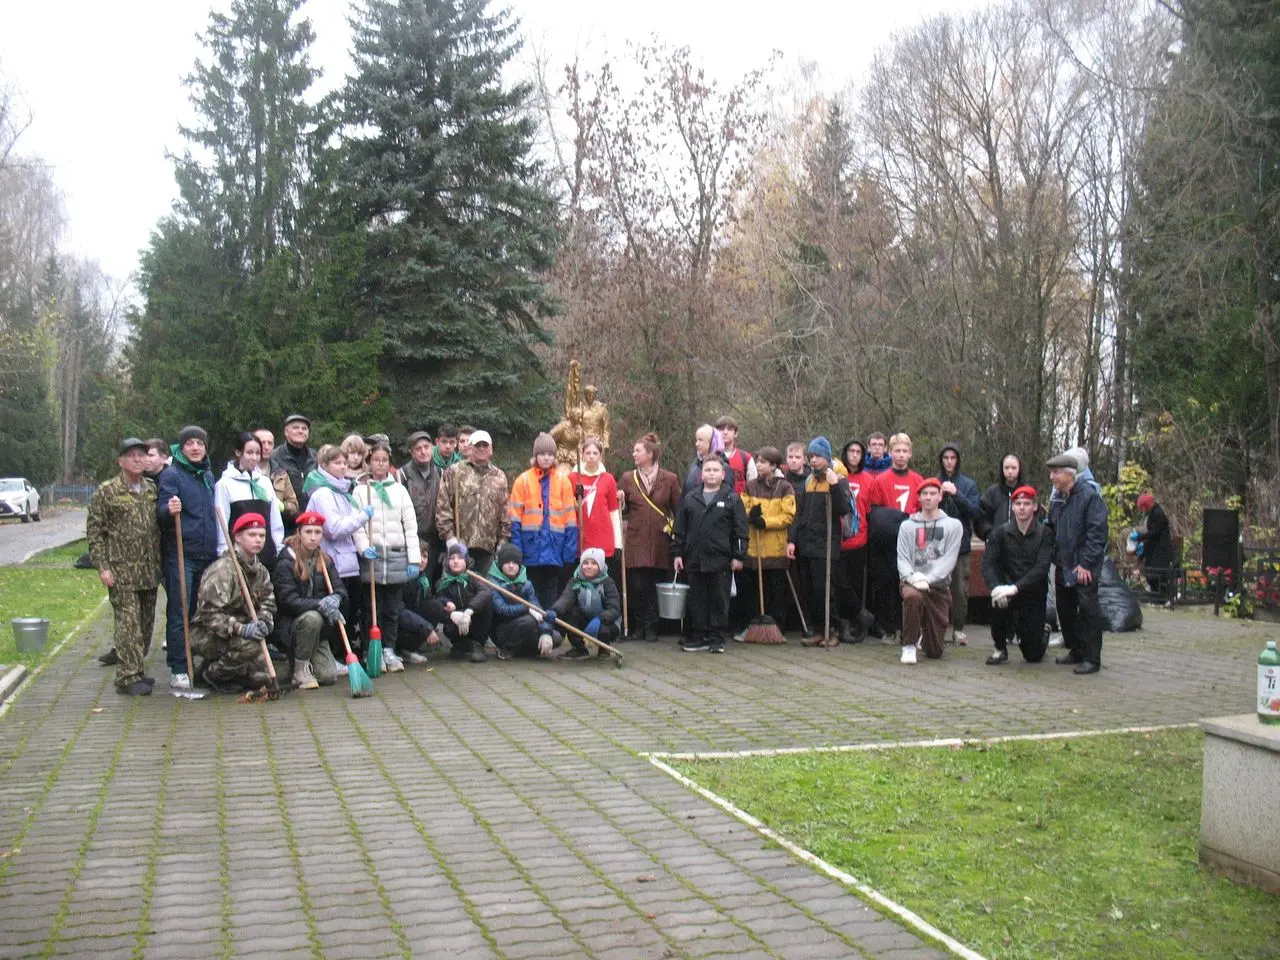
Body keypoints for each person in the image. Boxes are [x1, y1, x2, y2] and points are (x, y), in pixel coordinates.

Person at [87, 438, 163, 695]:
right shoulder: (107, 491)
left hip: (149, 570)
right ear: (120, 461)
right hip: (122, 572)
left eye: (141, 455)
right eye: (131, 455)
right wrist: (102, 567)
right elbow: (95, 533)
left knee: (146, 623)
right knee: (128, 624)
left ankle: (137, 669)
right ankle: (127, 677)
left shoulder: (152, 489)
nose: (137, 459)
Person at [157, 425, 218, 692]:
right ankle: (179, 668)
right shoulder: (172, 474)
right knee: (180, 610)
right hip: (182, 554)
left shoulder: (206, 474)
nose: (195, 448)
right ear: (181, 448)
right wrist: (168, 510)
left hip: (207, 554)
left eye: (200, 443)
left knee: (199, 612)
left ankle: (199, 661)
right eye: (190, 443)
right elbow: (159, 510)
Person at [353, 441, 421, 673]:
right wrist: (363, 548)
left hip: (395, 555)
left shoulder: (399, 490)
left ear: (389, 463)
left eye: (384, 460)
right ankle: (371, 649)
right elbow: (357, 526)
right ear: (369, 462)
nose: (380, 464)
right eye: (375, 460)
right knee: (372, 607)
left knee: (392, 608)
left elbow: (410, 525)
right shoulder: (361, 490)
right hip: (372, 558)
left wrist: (413, 559)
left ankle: (389, 649)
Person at [190, 513, 277, 693]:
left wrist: (263, 621)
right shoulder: (223, 570)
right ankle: (211, 674)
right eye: (252, 535)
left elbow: (269, 603)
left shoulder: (261, 572)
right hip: (208, 633)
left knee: (265, 675)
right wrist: (240, 629)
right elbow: (209, 614)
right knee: (249, 647)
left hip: (243, 632)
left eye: (262, 535)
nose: (258, 540)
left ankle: (234, 672)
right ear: (237, 537)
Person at [673, 456, 748, 654]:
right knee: (697, 598)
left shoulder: (732, 499)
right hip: (695, 558)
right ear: (701, 474)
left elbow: (740, 531)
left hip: (721, 559)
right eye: (708, 470)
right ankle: (699, 635)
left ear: (723, 474)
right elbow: (680, 529)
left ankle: (717, 637)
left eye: (715, 470)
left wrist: (738, 556)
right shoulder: (690, 499)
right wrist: (678, 553)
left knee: (719, 599)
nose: (711, 474)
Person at [787, 437, 858, 647]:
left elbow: (843, 509)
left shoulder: (837, 479)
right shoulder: (809, 481)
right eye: (812, 456)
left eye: (817, 456)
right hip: (806, 542)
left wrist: (835, 486)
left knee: (825, 589)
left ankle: (832, 630)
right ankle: (818, 629)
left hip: (826, 544)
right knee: (810, 589)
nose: (814, 460)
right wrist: (793, 540)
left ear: (826, 457)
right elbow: (800, 513)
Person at [304, 444, 374, 656]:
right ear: (324, 465)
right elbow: (334, 529)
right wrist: (362, 517)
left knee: (352, 610)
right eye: (337, 463)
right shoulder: (323, 493)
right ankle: (335, 653)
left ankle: (349, 652)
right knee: (338, 610)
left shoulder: (343, 490)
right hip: (332, 562)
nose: (343, 467)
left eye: (344, 462)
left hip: (348, 561)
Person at [1046, 450, 1109, 674]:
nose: (1052, 477)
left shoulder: (1090, 496)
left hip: (1083, 565)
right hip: (1063, 563)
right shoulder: (1058, 498)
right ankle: (1076, 650)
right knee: (1065, 610)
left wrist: (1086, 563)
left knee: (1088, 610)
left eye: (1055, 473)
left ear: (1069, 474)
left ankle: (1092, 658)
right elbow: (1051, 527)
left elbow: (1097, 533)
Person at [618, 432, 682, 643]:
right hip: (636, 540)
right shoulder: (628, 478)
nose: (633, 454)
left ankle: (653, 626)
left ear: (650, 454)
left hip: (659, 539)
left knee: (656, 582)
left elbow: (678, 510)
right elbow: (623, 510)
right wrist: (620, 501)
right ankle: (638, 625)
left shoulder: (670, 479)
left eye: (637, 450)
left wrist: (675, 533)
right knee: (637, 585)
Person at [271, 511, 345, 689]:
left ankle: (304, 663)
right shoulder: (286, 562)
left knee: (328, 676)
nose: (313, 537)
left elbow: (340, 588)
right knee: (313, 617)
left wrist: (336, 598)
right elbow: (288, 600)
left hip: (319, 631)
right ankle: (299, 670)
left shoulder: (325, 560)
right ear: (299, 532)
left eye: (318, 532)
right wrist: (320, 605)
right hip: (292, 626)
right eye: (308, 532)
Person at [981, 486, 1054, 665]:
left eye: (1027, 504)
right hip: (1006, 590)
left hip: (1032, 595)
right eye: (1018, 503)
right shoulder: (1000, 533)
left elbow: (1041, 568)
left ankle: (1041, 631)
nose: (1022, 507)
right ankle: (999, 648)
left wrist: (1015, 588)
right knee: (997, 600)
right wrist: (996, 587)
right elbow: (987, 563)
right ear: (1012, 507)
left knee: (1033, 656)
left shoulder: (1045, 533)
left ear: (1035, 507)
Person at [896, 477, 963, 664]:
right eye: (924, 494)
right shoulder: (907, 526)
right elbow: (902, 558)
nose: (928, 498)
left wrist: (928, 579)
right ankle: (908, 645)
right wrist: (912, 577)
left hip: (938, 586)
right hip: (912, 582)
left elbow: (949, 560)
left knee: (934, 651)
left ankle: (924, 635)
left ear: (940, 496)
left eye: (933, 493)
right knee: (912, 597)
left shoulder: (953, 526)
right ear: (919, 497)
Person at [508, 432, 579, 607]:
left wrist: (569, 552)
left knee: (551, 592)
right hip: (530, 548)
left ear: (554, 457)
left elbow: (570, 520)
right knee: (531, 591)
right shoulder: (522, 481)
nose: (546, 458)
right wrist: (517, 550)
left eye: (550, 454)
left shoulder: (564, 482)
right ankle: (534, 629)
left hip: (555, 549)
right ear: (535, 456)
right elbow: (514, 520)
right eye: (542, 454)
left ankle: (549, 629)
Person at [436, 430, 510, 578]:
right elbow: (443, 507)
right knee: (457, 592)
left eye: (485, 445)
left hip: (488, 549)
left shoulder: (499, 476)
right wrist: (450, 540)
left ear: (491, 449)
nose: (481, 448)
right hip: (459, 548)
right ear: (470, 448)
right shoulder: (455, 472)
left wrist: (502, 542)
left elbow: (505, 513)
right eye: (477, 445)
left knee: (486, 594)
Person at [739, 447, 796, 631]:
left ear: (773, 465)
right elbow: (741, 509)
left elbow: (788, 516)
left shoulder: (785, 487)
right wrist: (750, 515)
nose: (758, 464)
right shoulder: (751, 486)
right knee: (754, 590)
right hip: (753, 548)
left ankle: (778, 626)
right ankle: (755, 626)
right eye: (757, 461)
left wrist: (765, 521)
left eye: (762, 462)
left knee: (776, 590)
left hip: (775, 547)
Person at [215, 432, 285, 569]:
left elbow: (274, 518)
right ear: (238, 452)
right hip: (239, 557)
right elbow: (221, 521)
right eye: (249, 452)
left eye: (257, 453)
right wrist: (224, 553)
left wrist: (278, 548)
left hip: (266, 554)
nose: (254, 457)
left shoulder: (265, 482)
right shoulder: (224, 484)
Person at [937, 442, 980, 646]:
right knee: (936, 587)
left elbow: (973, 511)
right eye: (946, 458)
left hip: (960, 545)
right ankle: (936, 627)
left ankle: (959, 628)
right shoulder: (933, 482)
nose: (949, 462)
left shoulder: (968, 484)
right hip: (936, 545)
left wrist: (955, 493)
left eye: (953, 458)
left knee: (960, 589)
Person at [424, 543, 493, 662]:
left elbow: (485, 592)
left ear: (466, 560)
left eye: (460, 558)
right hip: (457, 620)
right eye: (452, 558)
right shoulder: (442, 582)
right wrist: (447, 605)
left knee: (487, 604)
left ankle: (478, 644)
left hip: (473, 617)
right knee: (448, 626)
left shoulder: (474, 577)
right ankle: (459, 644)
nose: (456, 561)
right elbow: (438, 599)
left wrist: (469, 610)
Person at [553, 547, 622, 659]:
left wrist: (600, 619)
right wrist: (554, 610)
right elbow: (565, 599)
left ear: (600, 566)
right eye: (586, 563)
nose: (589, 566)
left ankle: (604, 648)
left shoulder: (607, 582)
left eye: (594, 563)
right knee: (569, 614)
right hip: (584, 617)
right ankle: (579, 649)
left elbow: (614, 608)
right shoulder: (575, 581)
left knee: (604, 630)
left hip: (605, 620)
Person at [571, 437, 621, 583]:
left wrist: (618, 543)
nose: (591, 456)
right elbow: (567, 508)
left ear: (600, 455)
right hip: (581, 537)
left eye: (595, 453)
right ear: (583, 455)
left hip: (603, 538)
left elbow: (613, 511)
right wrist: (575, 498)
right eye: (588, 453)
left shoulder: (608, 479)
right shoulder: (573, 478)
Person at [398, 430, 444, 579]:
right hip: (412, 540)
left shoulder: (441, 473)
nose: (423, 452)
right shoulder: (402, 475)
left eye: (426, 447)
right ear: (412, 452)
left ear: (432, 447)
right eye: (418, 449)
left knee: (431, 583)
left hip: (435, 540)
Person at [487, 543, 543, 661]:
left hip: (524, 628)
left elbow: (537, 607)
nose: (511, 566)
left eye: (515, 562)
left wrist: (546, 632)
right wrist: (527, 608)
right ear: (501, 564)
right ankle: (506, 650)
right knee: (529, 621)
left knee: (555, 638)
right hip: (502, 630)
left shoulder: (526, 584)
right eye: (507, 562)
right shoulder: (492, 583)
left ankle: (520, 650)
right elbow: (503, 610)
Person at [839, 439, 872, 632]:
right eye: (851, 451)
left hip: (859, 539)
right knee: (840, 582)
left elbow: (869, 510)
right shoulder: (837, 477)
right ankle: (846, 620)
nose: (854, 455)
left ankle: (857, 622)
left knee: (856, 582)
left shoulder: (868, 480)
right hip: (839, 539)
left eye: (858, 452)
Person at [270, 414, 316, 531]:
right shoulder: (275, 457)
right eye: (296, 428)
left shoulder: (315, 457)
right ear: (286, 431)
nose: (300, 431)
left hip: (313, 521)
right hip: (287, 523)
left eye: (304, 428)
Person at [254, 427, 300, 527]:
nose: (266, 447)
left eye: (270, 443)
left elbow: (294, 506)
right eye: (262, 443)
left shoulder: (281, 474)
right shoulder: (244, 473)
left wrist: (282, 507)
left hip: (276, 528)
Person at [974, 454, 1025, 541]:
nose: (1010, 471)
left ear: (1019, 469)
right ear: (1002, 469)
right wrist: (990, 535)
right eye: (1006, 467)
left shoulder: (1026, 492)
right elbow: (980, 519)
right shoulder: (991, 493)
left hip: (1022, 544)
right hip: (997, 544)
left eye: (1013, 468)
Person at [869, 433, 924, 515]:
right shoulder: (880, 481)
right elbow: (875, 512)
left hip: (912, 526)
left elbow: (923, 510)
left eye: (905, 451)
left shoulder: (919, 481)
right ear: (890, 453)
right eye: (897, 451)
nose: (901, 455)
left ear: (910, 454)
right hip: (888, 527)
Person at [1135, 492, 1174, 597]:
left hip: (1160, 551)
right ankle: (1155, 596)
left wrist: (1139, 537)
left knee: (1157, 575)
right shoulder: (1152, 514)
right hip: (1152, 549)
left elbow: (1154, 533)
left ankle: (1162, 597)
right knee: (1151, 575)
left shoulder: (1158, 514)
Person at [715, 415, 756, 494]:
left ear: (736, 434)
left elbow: (753, 487)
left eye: (729, 429)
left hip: (741, 504)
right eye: (721, 429)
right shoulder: (709, 458)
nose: (725, 432)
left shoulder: (746, 458)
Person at [682, 424, 716, 496]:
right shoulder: (695, 463)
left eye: (700, 440)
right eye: (696, 440)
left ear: (711, 441)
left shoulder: (722, 465)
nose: (696, 444)